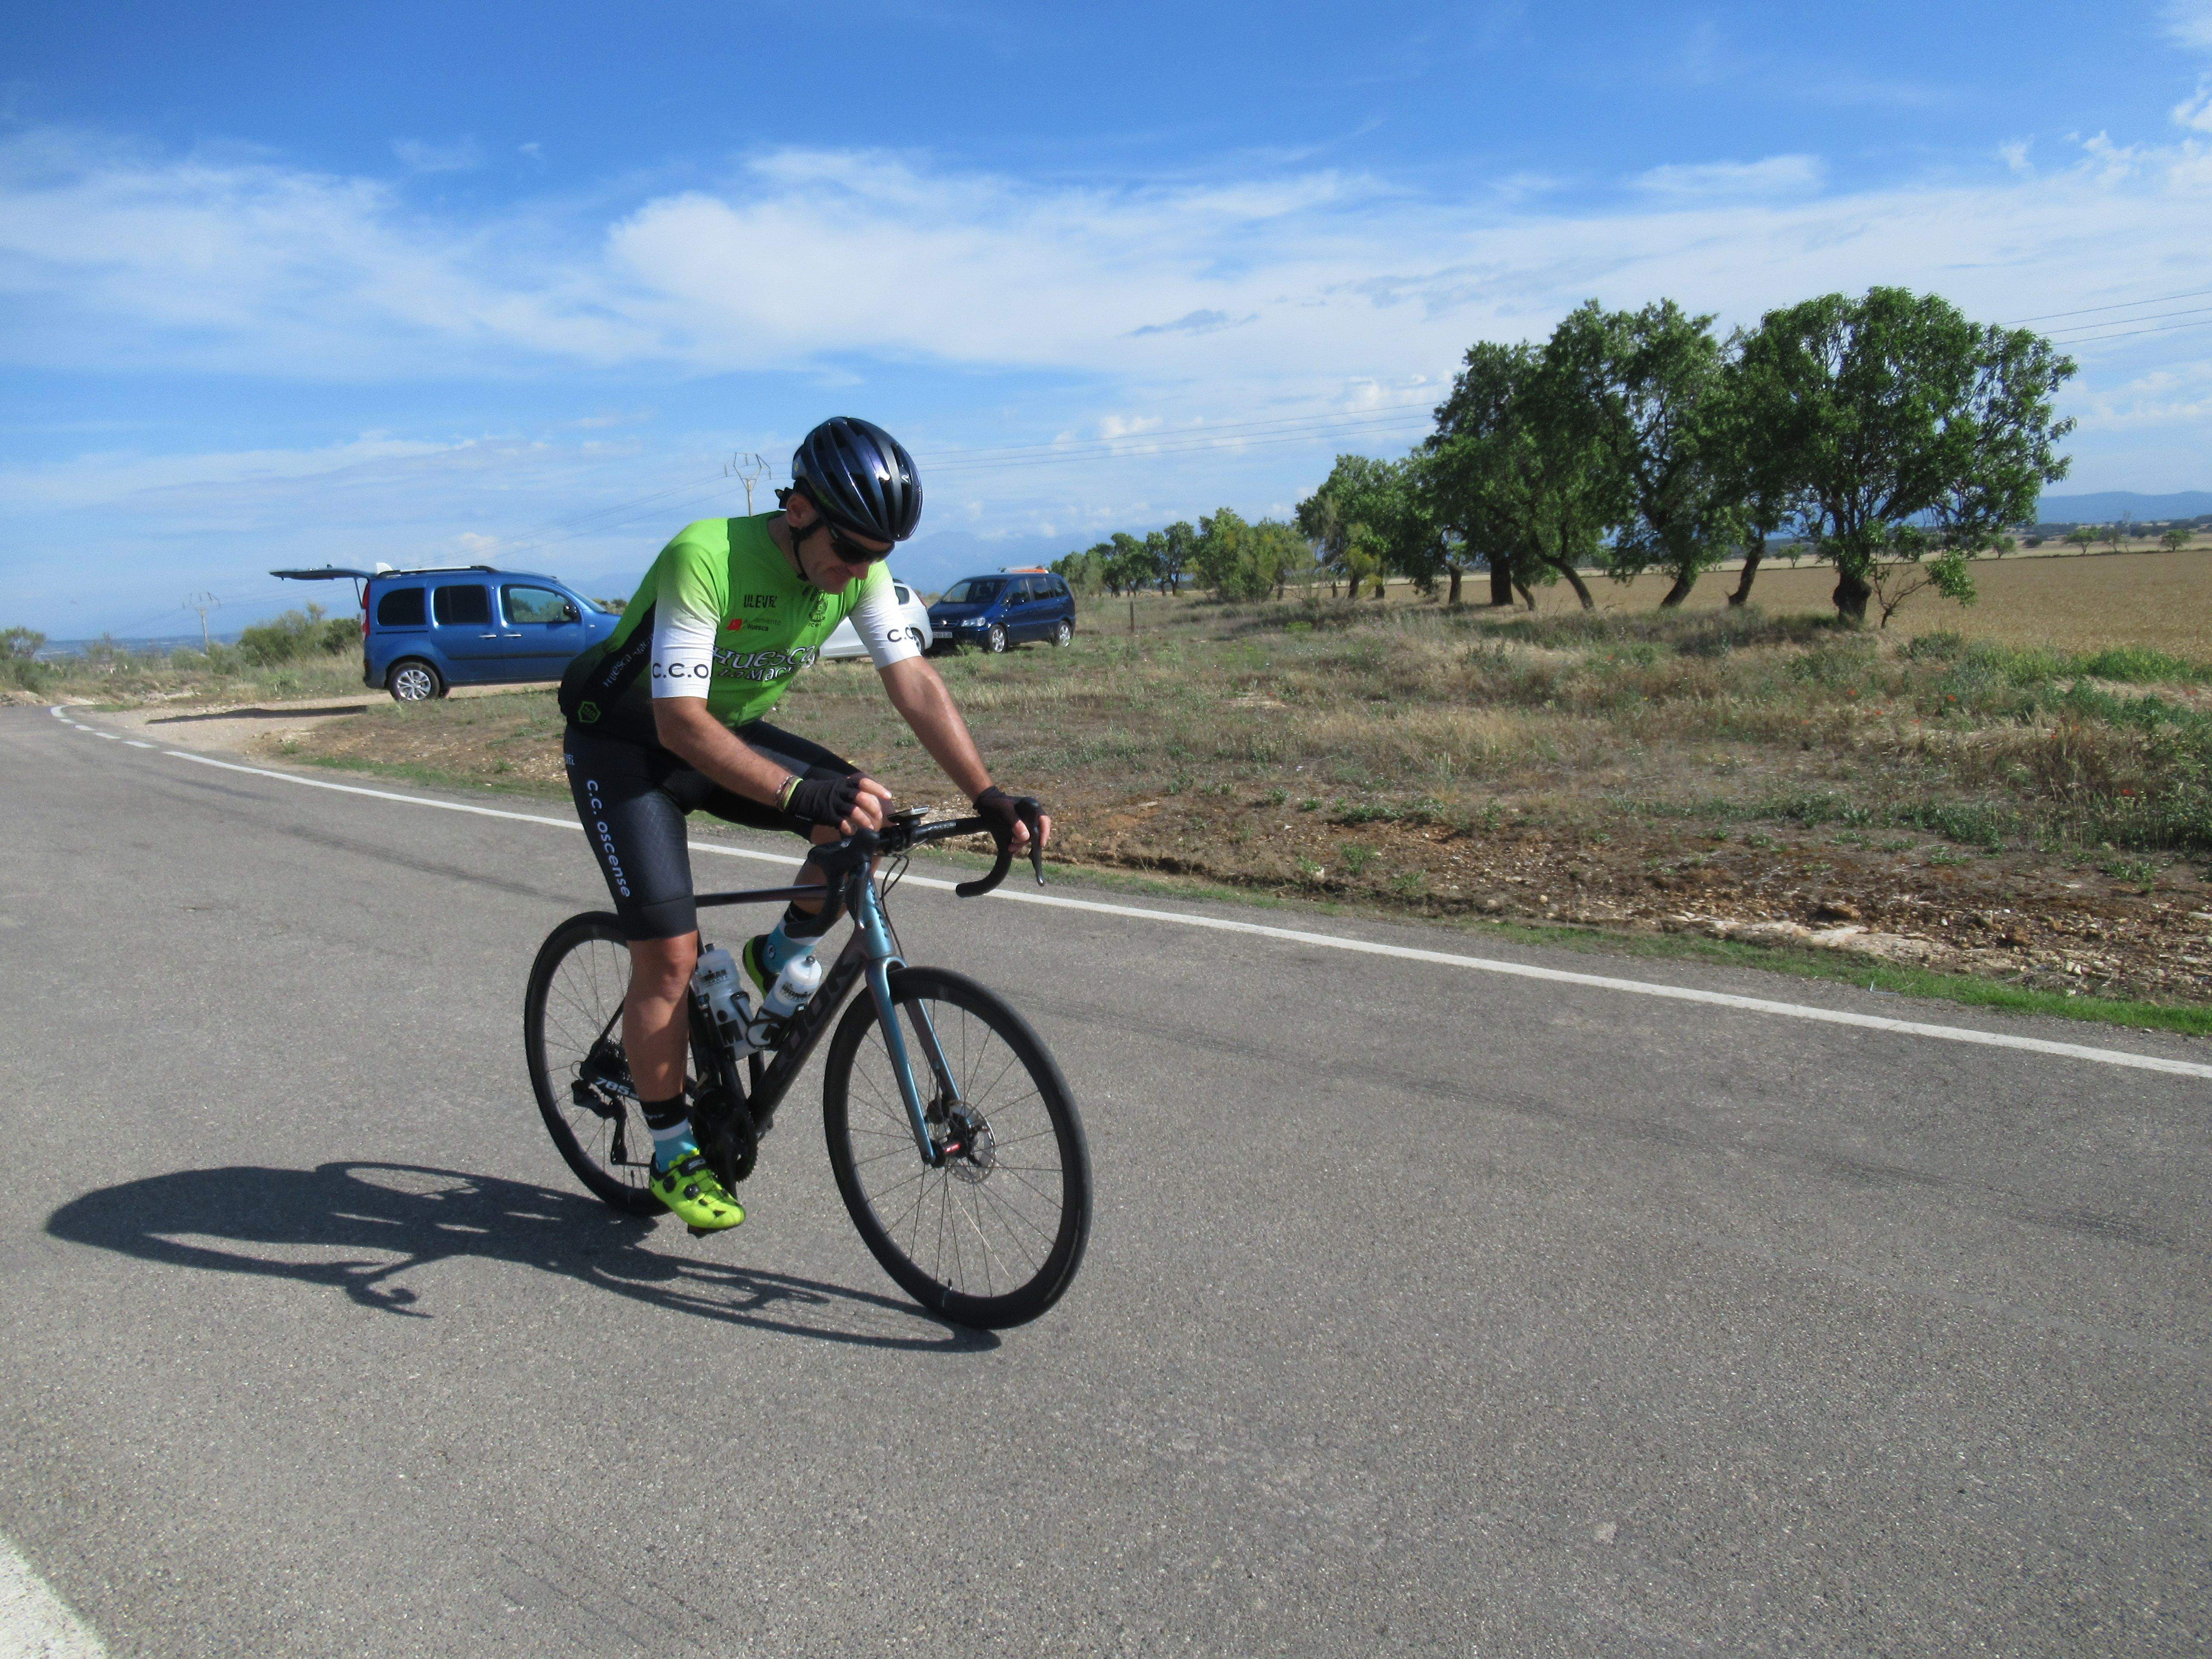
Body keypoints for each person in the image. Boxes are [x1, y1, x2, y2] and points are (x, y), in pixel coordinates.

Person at [557, 416, 1049, 1232]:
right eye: (850, 550)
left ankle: (778, 951)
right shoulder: (705, 558)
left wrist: (987, 791)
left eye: (876, 556)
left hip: (721, 732)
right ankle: (673, 1150)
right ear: (799, 513)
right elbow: (677, 723)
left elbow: (913, 680)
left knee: (862, 817)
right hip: (627, 746)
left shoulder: (860, 570)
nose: (858, 570)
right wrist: (794, 795)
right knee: (669, 956)